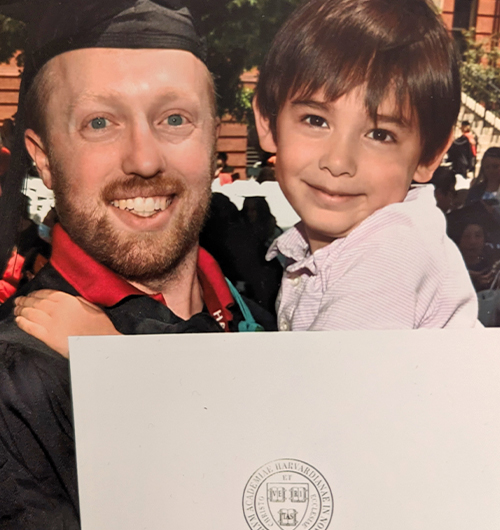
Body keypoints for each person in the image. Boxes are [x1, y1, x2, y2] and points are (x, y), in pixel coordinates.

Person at [0, 1, 274, 528]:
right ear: (43, 158)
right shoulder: (21, 385)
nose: (145, 160)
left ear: (214, 137)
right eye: (99, 122)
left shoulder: (267, 314)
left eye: (175, 118)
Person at [251, 0, 478, 330]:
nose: (338, 161)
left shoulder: (389, 255)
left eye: (380, 134)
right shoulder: (349, 245)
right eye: (315, 120)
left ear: (429, 156)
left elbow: (327, 380)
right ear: (269, 123)